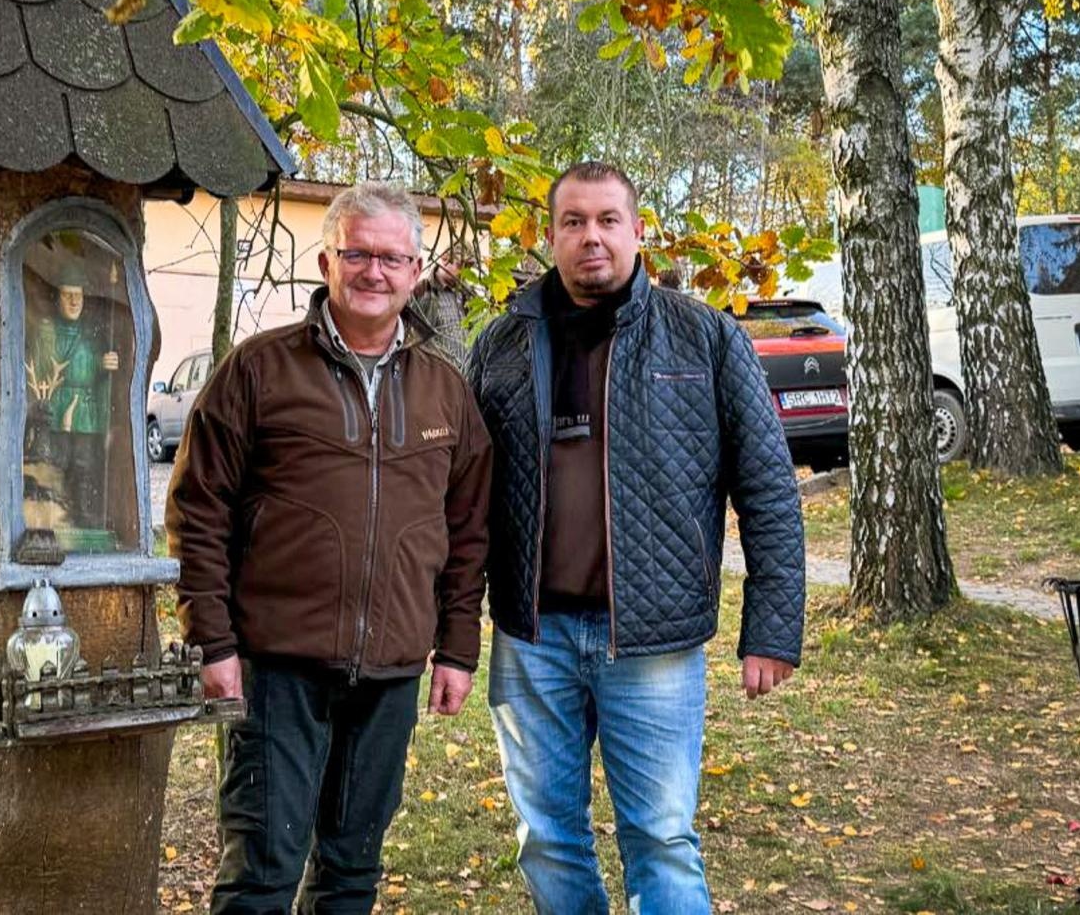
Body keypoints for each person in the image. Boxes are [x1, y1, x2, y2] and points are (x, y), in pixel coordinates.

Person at [467, 162, 805, 914]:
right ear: (550, 236)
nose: (592, 237)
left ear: (637, 231)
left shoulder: (706, 338)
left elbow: (769, 490)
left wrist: (773, 629)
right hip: (533, 640)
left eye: (608, 220)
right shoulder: (503, 346)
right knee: (547, 839)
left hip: (653, 643)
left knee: (660, 839)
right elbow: (462, 503)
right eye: (574, 221)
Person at [166, 181, 493, 914]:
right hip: (278, 668)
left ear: (415, 271)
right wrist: (211, 643)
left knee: (351, 875)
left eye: (391, 258)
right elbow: (198, 510)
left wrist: (459, 648)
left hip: (391, 674)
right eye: (357, 254)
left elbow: (469, 530)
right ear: (326, 262)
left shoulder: (445, 391)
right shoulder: (258, 371)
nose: (374, 272)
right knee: (261, 875)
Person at [24, 260, 120, 554]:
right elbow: (39, 369)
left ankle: (86, 520)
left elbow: (97, 371)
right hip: (56, 406)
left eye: (78, 294)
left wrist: (106, 366)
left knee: (86, 467)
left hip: (86, 412)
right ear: (59, 297)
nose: (75, 300)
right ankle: (55, 522)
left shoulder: (92, 333)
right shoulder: (46, 331)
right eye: (68, 294)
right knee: (58, 464)